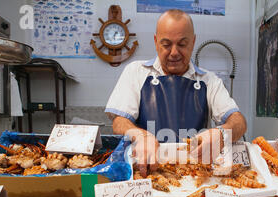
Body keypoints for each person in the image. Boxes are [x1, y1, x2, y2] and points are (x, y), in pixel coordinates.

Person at [105, 9, 247, 177]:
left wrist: (222, 134)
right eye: (166, 44)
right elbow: (119, 122)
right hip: (147, 170)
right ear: (156, 41)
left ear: (193, 42)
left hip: (195, 173)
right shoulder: (136, 72)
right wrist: (140, 135)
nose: (174, 52)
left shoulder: (209, 81)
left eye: (182, 44)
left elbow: (239, 122)